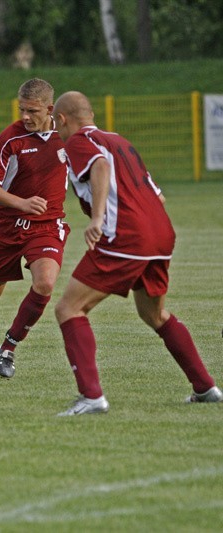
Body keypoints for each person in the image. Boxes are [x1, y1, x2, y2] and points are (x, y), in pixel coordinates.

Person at [52, 91, 221, 416]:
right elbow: (158, 197)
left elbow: (99, 167)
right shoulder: (119, 140)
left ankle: (91, 397)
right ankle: (205, 388)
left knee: (69, 308)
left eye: (56, 124)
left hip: (126, 236)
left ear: (62, 120)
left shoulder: (78, 141)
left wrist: (99, 219)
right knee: (154, 314)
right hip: (160, 233)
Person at [0, 78, 69, 379]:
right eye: (21, 109)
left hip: (47, 225)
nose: (24, 117)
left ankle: (9, 346)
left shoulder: (68, 137)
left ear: (50, 109)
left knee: (46, 283)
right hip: (7, 226)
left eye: (32, 111)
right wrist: (22, 203)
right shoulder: (11, 138)